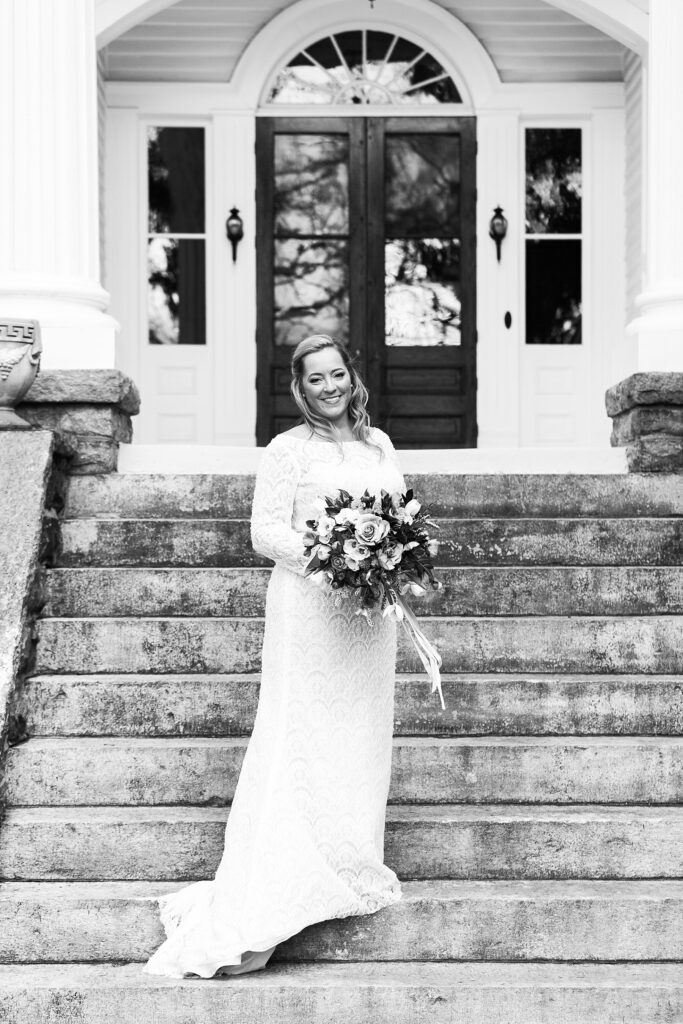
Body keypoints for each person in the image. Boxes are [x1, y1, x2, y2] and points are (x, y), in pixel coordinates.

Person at [143, 334, 406, 978]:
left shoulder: (380, 446)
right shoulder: (286, 451)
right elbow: (266, 531)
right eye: (315, 379)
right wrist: (334, 561)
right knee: (301, 735)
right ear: (300, 388)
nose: (329, 386)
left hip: (369, 620)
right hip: (310, 611)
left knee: (358, 735)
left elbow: (398, 516)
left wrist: (381, 559)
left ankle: (347, 860)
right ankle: (275, 892)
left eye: (337, 373)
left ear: (352, 376)